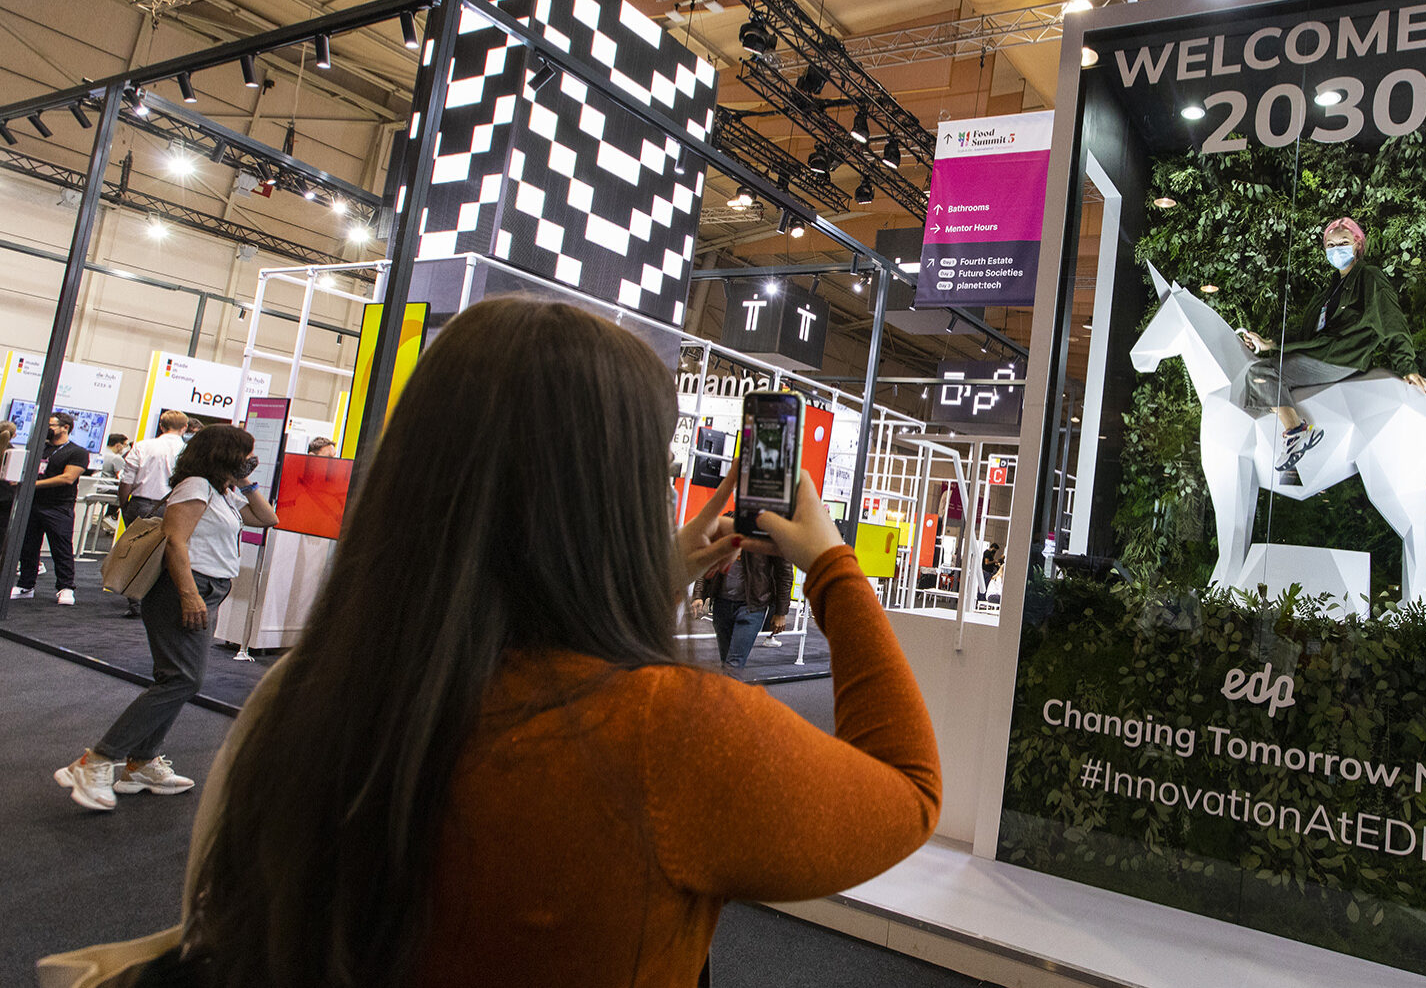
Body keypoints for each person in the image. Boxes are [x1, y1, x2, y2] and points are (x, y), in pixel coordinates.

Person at [173, 297, 939, 987]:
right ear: (609, 492)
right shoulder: (660, 730)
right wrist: (835, 568)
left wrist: (661, 567)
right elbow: (908, 790)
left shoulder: (311, 692)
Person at [55, 425, 278, 810]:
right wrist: (190, 594)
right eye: (243, 453)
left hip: (208, 589)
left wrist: (244, 482)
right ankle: (98, 760)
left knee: (178, 678)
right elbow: (176, 541)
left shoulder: (221, 491)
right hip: (185, 590)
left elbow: (267, 518)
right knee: (182, 679)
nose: (248, 459)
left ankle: (141, 761)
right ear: (223, 453)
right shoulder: (194, 486)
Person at [1236, 217, 1426, 473]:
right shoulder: (1329, 289)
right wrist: (1269, 343)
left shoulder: (1369, 278)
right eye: (1331, 244)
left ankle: (1296, 432)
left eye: (1343, 243)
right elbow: (1307, 335)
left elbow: (1392, 321)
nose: (1336, 249)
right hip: (1323, 352)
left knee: (1262, 373)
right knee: (1266, 367)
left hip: (1342, 356)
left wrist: (1407, 365)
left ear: (1358, 245)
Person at [119, 410, 191, 618]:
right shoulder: (188, 451)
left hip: (142, 504)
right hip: (176, 507)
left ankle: (136, 603)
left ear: (161, 426)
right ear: (184, 428)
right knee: (171, 554)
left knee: (136, 554)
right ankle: (163, 603)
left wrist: (124, 505)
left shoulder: (143, 446)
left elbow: (127, 481)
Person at [13, 412, 90, 606]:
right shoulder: (41, 449)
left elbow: (68, 478)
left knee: (61, 548)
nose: (49, 429)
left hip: (59, 506)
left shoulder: (77, 452)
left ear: (65, 427)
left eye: (52, 425)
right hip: (34, 503)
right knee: (28, 546)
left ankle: (65, 587)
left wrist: (33, 484)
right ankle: (26, 585)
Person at [694, 542, 792, 670]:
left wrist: (781, 612)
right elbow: (706, 563)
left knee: (734, 662)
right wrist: (698, 594)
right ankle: (731, 688)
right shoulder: (723, 527)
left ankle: (728, 688)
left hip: (752, 607)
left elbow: (784, 574)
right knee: (726, 661)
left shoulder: (770, 533)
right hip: (721, 604)